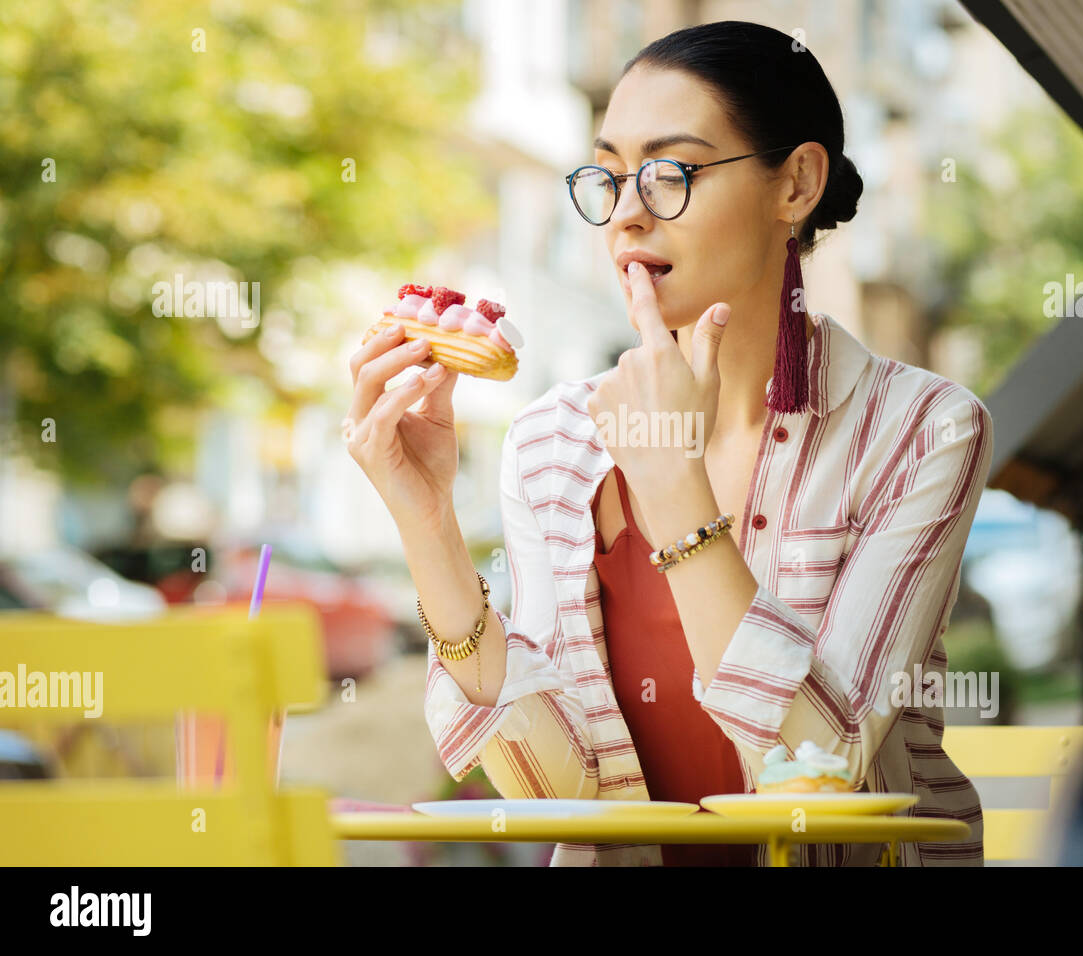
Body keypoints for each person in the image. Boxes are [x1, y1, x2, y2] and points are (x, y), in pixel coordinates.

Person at [345, 20, 992, 866]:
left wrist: (675, 486)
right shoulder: (551, 443)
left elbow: (820, 773)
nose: (626, 217)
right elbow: (555, 789)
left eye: (670, 173)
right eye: (609, 177)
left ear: (794, 183)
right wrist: (426, 520)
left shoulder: (921, 430)